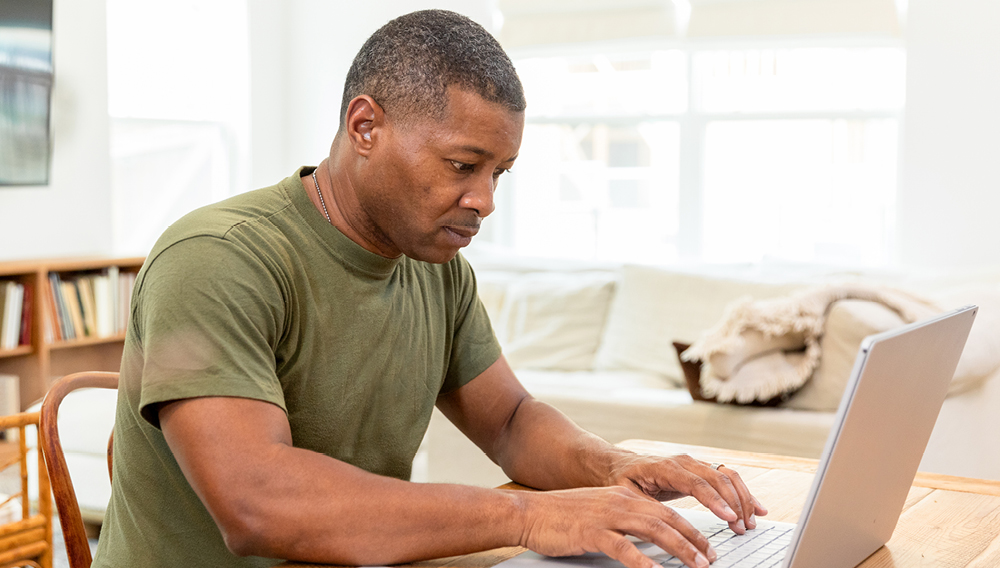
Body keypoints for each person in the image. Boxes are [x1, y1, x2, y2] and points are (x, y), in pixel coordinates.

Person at [93, 9, 766, 568]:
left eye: (500, 172)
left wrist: (614, 467)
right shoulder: (217, 259)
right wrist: (530, 515)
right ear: (365, 127)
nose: (484, 200)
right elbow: (257, 504)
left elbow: (508, 421)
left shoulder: (436, 266)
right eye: (462, 165)